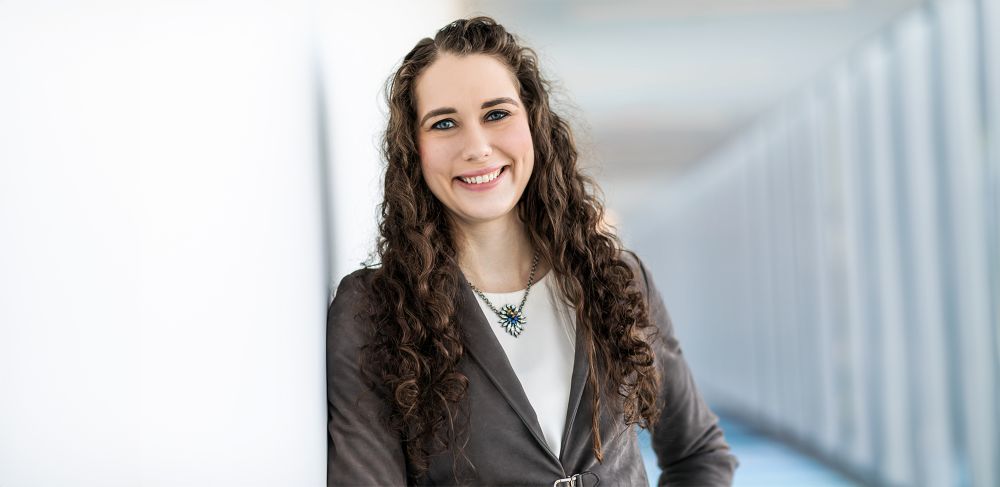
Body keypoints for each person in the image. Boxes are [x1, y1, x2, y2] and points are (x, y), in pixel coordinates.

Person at [327, 16, 738, 486]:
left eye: (496, 114)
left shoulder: (616, 280)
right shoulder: (373, 311)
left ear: (534, 124)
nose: (477, 147)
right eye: (444, 124)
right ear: (413, 150)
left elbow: (700, 454)